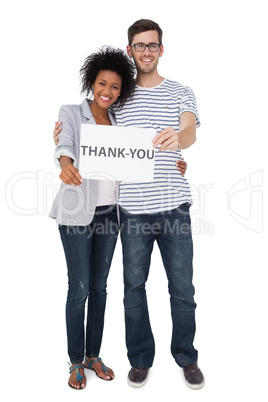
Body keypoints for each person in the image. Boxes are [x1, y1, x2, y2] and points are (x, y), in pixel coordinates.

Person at [113, 19, 205, 390]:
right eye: (140, 45)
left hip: (174, 207)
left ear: (161, 50)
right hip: (132, 208)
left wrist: (178, 137)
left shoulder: (181, 91)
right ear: (129, 50)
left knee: (183, 288)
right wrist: (65, 134)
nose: (146, 51)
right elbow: (99, 139)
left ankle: (187, 357)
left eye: (152, 45)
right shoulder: (119, 96)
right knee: (134, 287)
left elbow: (190, 132)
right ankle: (139, 359)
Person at [49, 46, 137, 390]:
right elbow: (64, 143)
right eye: (103, 83)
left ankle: (93, 355)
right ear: (92, 82)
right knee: (80, 288)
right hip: (76, 212)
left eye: (115, 87)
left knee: (101, 287)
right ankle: (74, 361)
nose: (108, 91)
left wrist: (174, 164)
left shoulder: (120, 120)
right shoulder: (71, 112)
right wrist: (66, 162)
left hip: (110, 214)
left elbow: (136, 159)